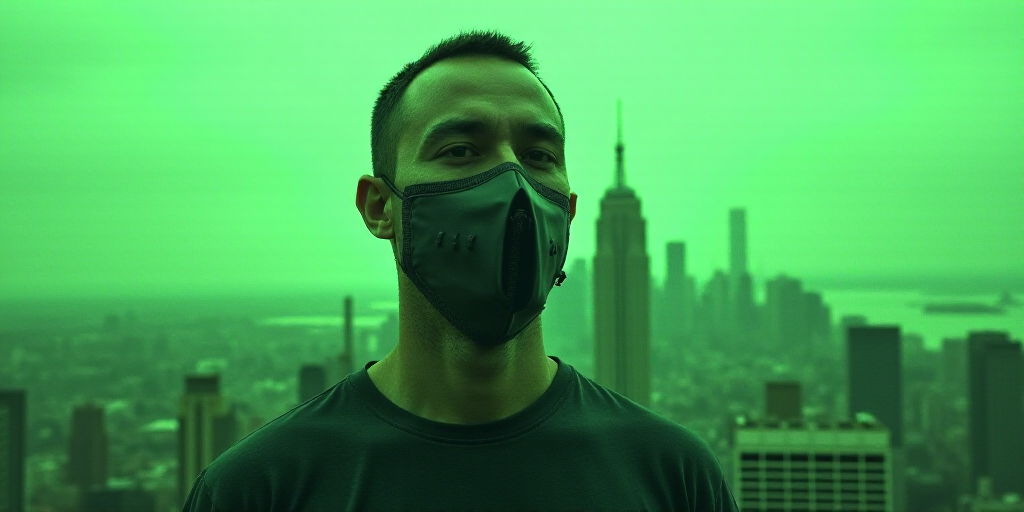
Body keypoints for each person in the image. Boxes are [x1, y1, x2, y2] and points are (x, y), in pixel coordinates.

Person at [182, 29, 740, 511]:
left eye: (539, 155)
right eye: (459, 149)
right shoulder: (259, 490)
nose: (512, 180)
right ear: (381, 207)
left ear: (567, 213)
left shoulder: (674, 477)